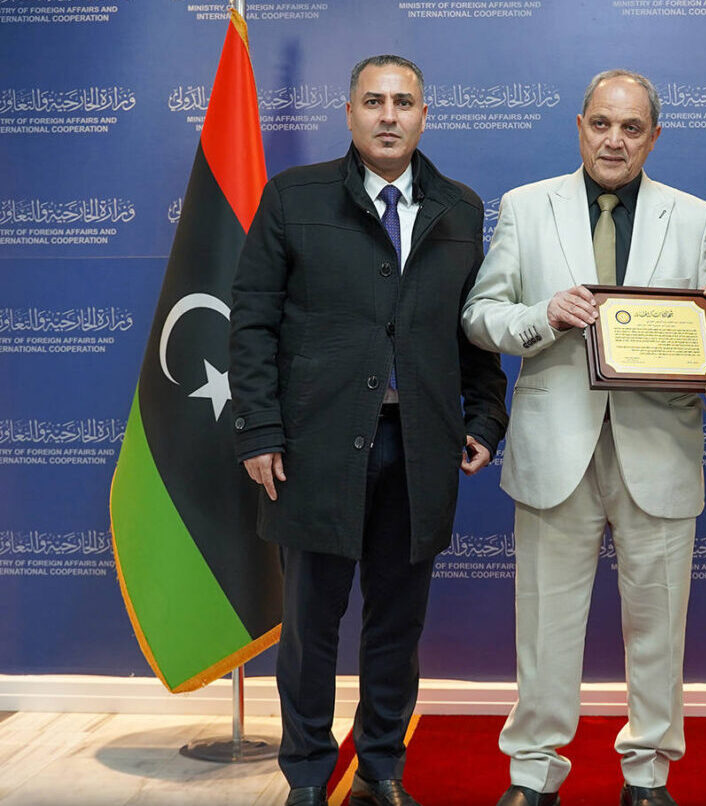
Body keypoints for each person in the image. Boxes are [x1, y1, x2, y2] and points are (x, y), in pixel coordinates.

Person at [228, 54, 508, 806]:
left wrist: (485, 415)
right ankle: (308, 777)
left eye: (404, 102)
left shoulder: (460, 207)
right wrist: (259, 429)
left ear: (425, 115)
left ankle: (381, 769)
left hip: (419, 447)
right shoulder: (293, 196)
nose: (389, 116)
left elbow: (473, 328)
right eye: (374, 101)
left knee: (396, 625)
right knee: (310, 625)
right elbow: (251, 321)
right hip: (313, 448)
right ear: (349, 112)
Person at [462, 69, 706, 806]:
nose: (614, 140)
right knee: (545, 626)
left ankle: (647, 774)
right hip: (554, 450)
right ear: (580, 127)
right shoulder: (525, 207)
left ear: (655, 136)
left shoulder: (695, 217)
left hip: (661, 448)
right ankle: (533, 773)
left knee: (659, 628)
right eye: (601, 124)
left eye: (631, 128)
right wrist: (541, 316)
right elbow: (480, 315)